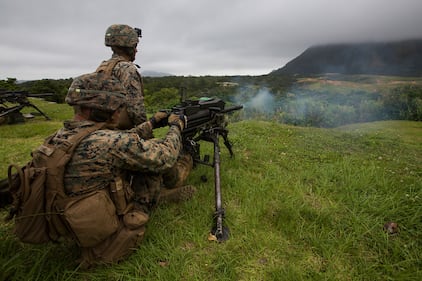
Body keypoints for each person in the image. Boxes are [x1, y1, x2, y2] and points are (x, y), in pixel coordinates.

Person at [52, 72, 188, 267]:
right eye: (115, 106)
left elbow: (120, 141)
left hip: (70, 220)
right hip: (101, 233)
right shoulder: (109, 142)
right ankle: (151, 201)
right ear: (98, 107)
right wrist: (176, 127)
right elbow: (164, 157)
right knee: (150, 162)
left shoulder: (63, 135)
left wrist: (151, 123)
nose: (119, 113)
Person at [96, 24, 146, 129]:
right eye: (135, 46)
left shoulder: (104, 66)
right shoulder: (128, 69)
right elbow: (136, 109)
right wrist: (147, 131)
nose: (136, 50)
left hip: (102, 129)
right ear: (128, 47)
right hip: (121, 133)